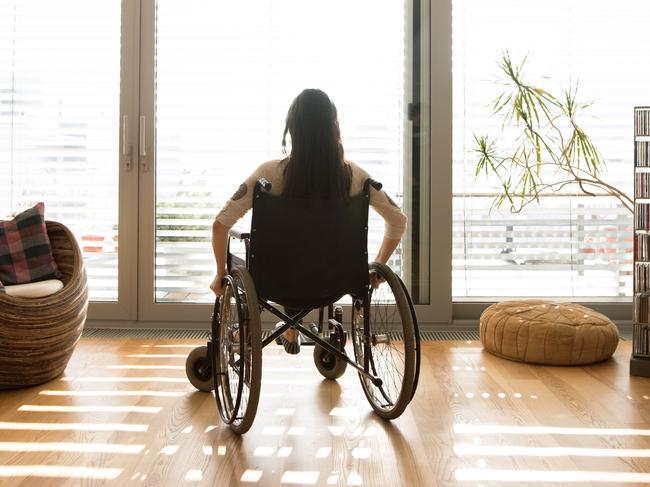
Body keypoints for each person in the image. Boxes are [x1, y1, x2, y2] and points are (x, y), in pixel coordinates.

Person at [210, 88, 407, 353]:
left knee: (284, 257)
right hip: (335, 280)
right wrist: (377, 267)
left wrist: (220, 274)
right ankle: (294, 326)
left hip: (276, 280)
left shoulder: (268, 175)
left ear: (292, 129)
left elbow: (220, 225)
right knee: (310, 256)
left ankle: (285, 327)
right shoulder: (356, 178)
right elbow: (398, 220)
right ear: (334, 127)